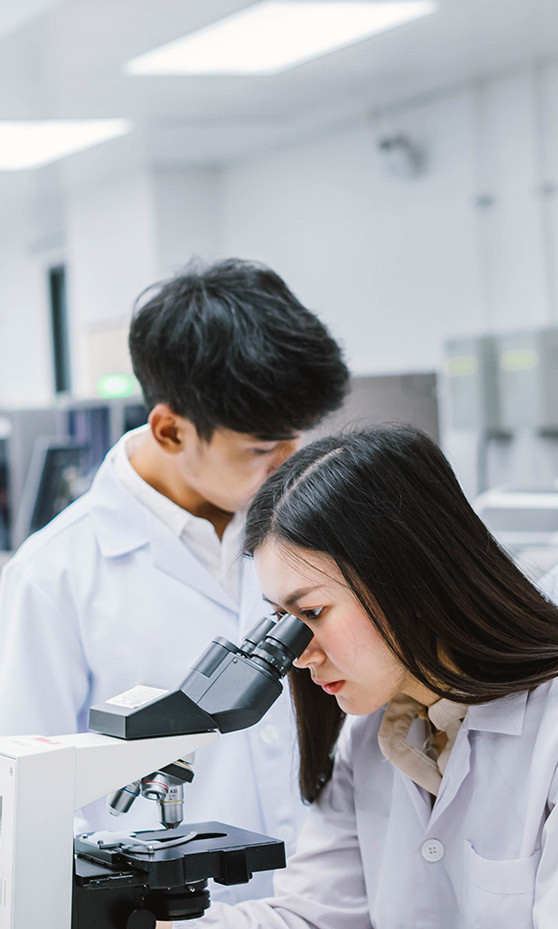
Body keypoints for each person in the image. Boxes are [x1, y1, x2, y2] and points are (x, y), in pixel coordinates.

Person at [103, 424, 558, 929]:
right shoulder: (378, 735)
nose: (297, 652)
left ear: (409, 581)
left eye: (313, 613)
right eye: (280, 619)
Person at [0, 259, 348, 886]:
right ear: (169, 429)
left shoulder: (314, 528)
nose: (291, 465)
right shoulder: (54, 578)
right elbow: (27, 796)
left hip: (339, 927)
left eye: (297, 440)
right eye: (263, 449)